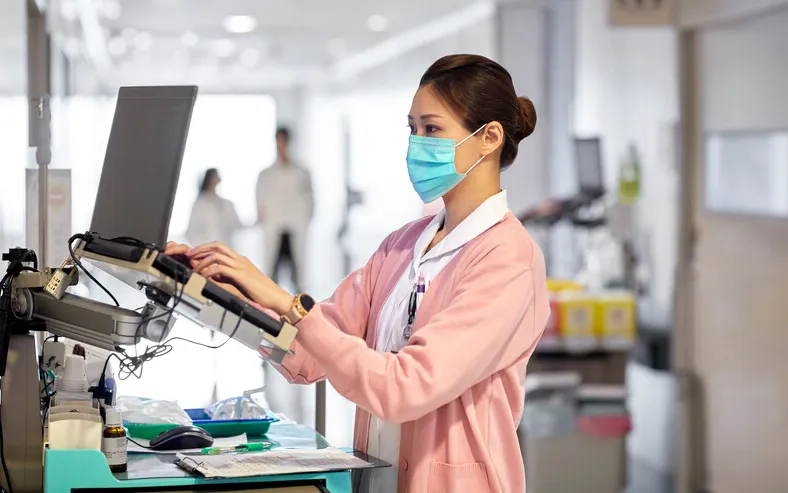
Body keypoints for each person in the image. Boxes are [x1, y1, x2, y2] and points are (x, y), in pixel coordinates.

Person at [168, 54, 549, 493]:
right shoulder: (403, 245)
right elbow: (304, 356)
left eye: (432, 129)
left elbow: (405, 388)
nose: (417, 143)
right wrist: (210, 289)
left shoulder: (507, 259)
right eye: (413, 129)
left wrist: (286, 301)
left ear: (490, 138)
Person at [255, 127, 314, 292]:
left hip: (296, 226)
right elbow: (260, 204)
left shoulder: (302, 173)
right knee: (272, 275)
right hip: (274, 226)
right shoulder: (265, 175)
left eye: (284, 141)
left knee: (298, 275)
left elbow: (310, 201)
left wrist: (304, 218)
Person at [185, 169, 242, 248]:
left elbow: (237, 225)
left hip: (225, 248)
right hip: (206, 248)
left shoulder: (227, 204)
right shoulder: (199, 204)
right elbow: (191, 232)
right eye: (214, 176)